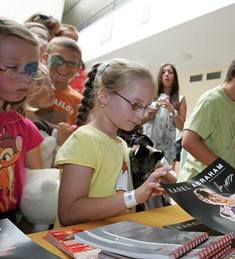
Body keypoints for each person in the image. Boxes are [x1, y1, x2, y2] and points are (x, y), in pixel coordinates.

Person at [54, 59, 167, 227]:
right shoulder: (84, 140)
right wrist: (134, 197)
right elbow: (69, 213)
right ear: (104, 95)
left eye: (145, 107)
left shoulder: (120, 143)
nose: (142, 115)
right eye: (135, 105)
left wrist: (142, 193)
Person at [178, 51, 235, 182]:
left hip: (220, 183)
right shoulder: (211, 100)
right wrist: (224, 169)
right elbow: (188, 141)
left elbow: (225, 136)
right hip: (198, 183)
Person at [0, 17, 44, 224]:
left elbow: (37, 187)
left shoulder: (26, 128)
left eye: (31, 70)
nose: (26, 78)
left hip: (8, 220)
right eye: (13, 67)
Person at [24, 64, 73, 168]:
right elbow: (41, 175)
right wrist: (62, 143)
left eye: (50, 82)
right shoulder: (23, 129)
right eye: (42, 83)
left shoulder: (40, 121)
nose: (52, 88)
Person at [143, 63, 187, 164]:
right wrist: (148, 116)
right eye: (163, 72)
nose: (166, 74)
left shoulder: (180, 99)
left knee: (165, 177)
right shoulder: (151, 96)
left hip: (167, 149)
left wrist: (173, 111)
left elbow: (181, 127)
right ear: (160, 77)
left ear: (174, 77)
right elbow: (139, 121)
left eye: (170, 72)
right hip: (148, 144)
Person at [36, 36, 83, 125]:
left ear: (78, 68)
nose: (64, 67)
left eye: (72, 63)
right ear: (45, 58)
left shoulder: (78, 101)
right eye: (57, 59)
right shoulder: (32, 88)